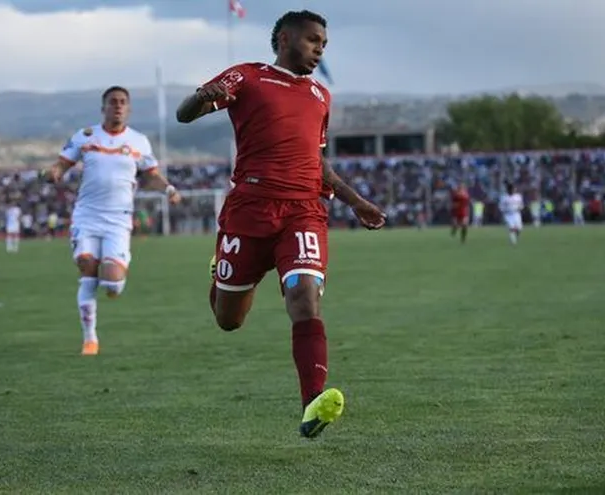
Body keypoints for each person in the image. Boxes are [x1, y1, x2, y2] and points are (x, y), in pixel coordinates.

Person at [176, 10, 386, 438]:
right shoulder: (248, 76)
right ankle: (221, 272)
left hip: (303, 211)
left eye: (323, 44)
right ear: (286, 39)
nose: (319, 50)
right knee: (228, 320)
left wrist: (355, 201)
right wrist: (201, 97)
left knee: (305, 296)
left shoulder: (321, 95)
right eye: (313, 41)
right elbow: (184, 115)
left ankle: (313, 403)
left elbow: (316, 159)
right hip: (250, 211)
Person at [47, 86, 182, 356]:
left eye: (122, 102)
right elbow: (61, 164)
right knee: (87, 267)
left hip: (118, 220)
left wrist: (168, 189)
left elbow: (151, 175)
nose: (117, 106)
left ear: (128, 109)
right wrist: (55, 171)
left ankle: (114, 273)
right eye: (112, 102)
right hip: (87, 215)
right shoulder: (86, 136)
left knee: (111, 285)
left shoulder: (139, 141)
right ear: (103, 108)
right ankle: (90, 339)